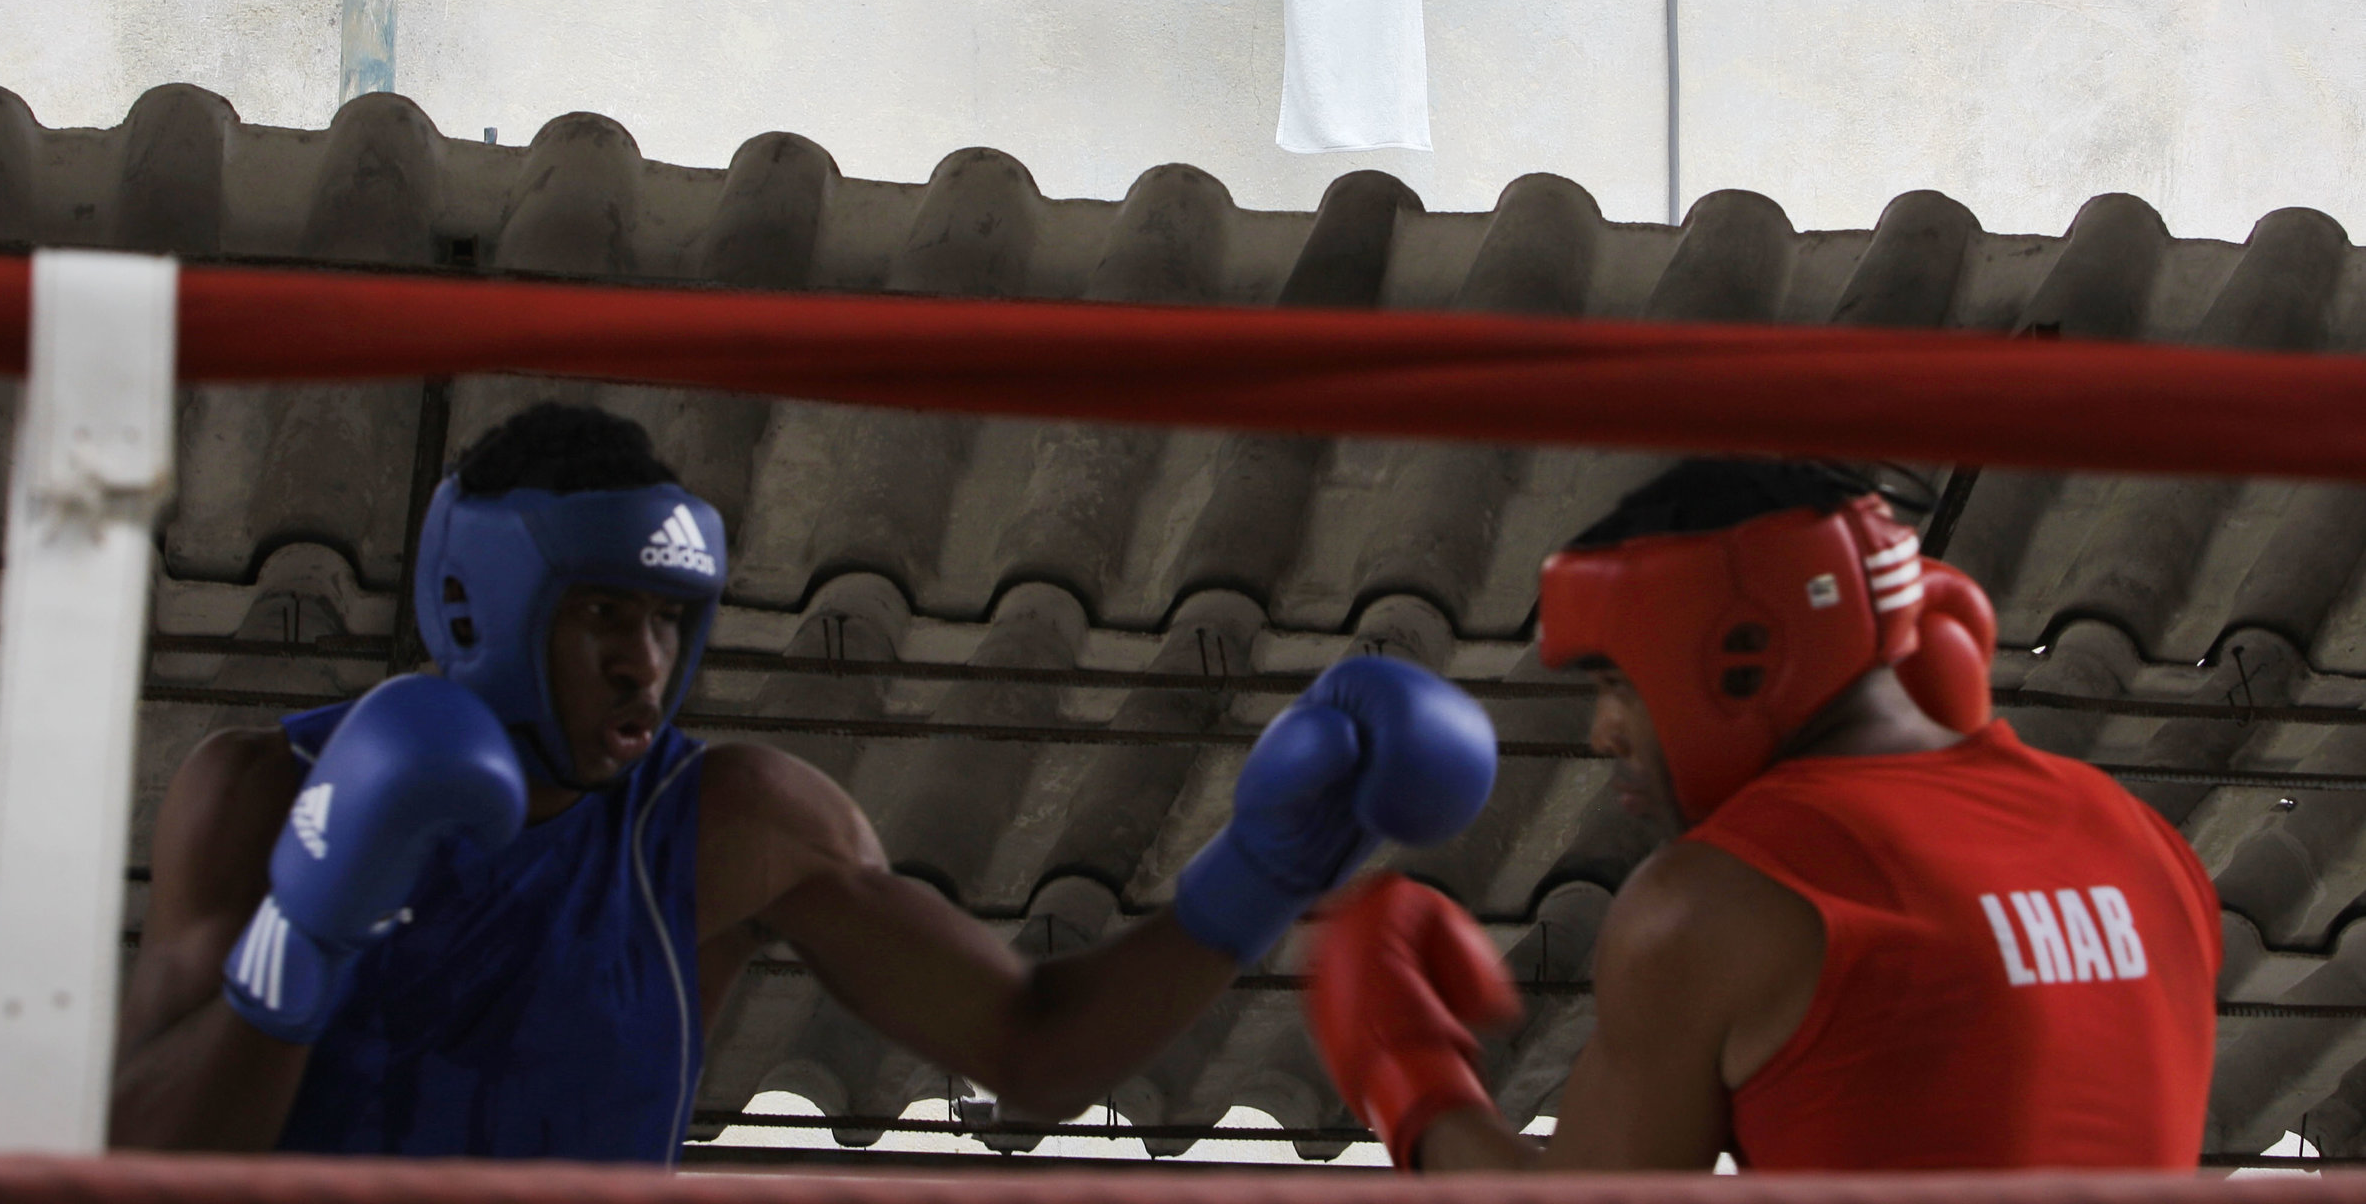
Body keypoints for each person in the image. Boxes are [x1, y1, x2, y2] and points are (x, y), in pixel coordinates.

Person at [111, 401, 1500, 1161]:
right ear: (478, 607)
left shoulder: (731, 826)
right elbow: (131, 1164)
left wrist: (1265, 871)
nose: (645, 667)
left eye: (666, 623)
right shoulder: (258, 793)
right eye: (602, 616)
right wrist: (308, 931)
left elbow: (1031, 1048)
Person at [1302, 459, 2222, 1172]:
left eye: (1620, 683)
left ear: (1737, 658)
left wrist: (1404, 1067)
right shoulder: (2145, 843)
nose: (1603, 732)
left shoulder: (1723, 898)